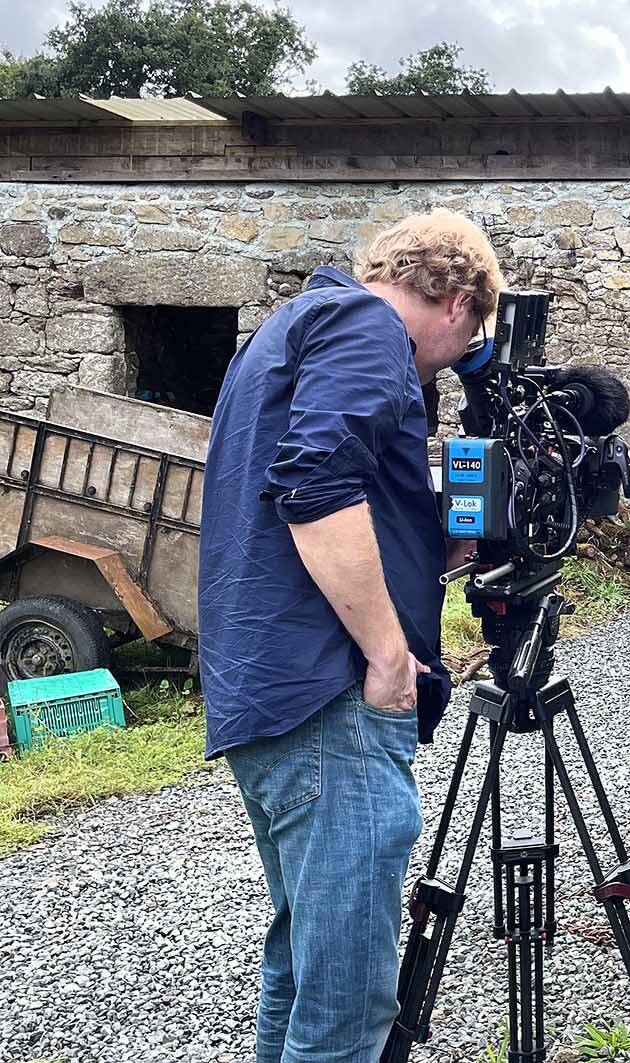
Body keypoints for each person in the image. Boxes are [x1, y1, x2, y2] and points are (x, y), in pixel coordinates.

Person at [198, 209, 502, 1063]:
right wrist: (388, 655)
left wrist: (434, 543)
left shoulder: (286, 329)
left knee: (304, 969)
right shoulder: (368, 327)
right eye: (471, 338)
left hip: (267, 690)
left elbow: (300, 487)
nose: (457, 360)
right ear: (460, 302)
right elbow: (315, 484)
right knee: (345, 1004)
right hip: (330, 696)